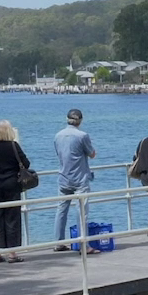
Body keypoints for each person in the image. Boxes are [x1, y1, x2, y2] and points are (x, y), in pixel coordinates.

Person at [0, 119, 31, 262]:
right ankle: (12, 253)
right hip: (11, 185)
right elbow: (26, 163)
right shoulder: (14, 146)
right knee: (12, 218)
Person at [52, 108, 95, 251]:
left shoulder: (58, 135)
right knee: (82, 212)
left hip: (63, 177)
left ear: (67, 119)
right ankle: (84, 245)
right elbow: (92, 154)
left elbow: (59, 153)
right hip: (80, 179)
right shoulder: (83, 136)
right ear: (80, 120)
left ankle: (58, 242)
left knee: (61, 210)